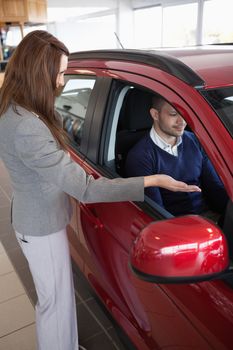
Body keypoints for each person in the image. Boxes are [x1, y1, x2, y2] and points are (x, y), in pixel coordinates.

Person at [0, 31, 201, 350]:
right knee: (55, 301)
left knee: (58, 296)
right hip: (41, 224)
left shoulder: (18, 110)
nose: (62, 81)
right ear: (40, 72)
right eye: (61, 72)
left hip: (35, 216)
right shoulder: (27, 125)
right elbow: (85, 189)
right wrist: (153, 180)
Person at [125, 94, 228, 218]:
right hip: (177, 226)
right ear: (155, 115)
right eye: (174, 114)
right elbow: (157, 213)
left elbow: (215, 187)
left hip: (209, 216)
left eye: (184, 113)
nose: (182, 121)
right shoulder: (140, 156)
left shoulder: (194, 140)